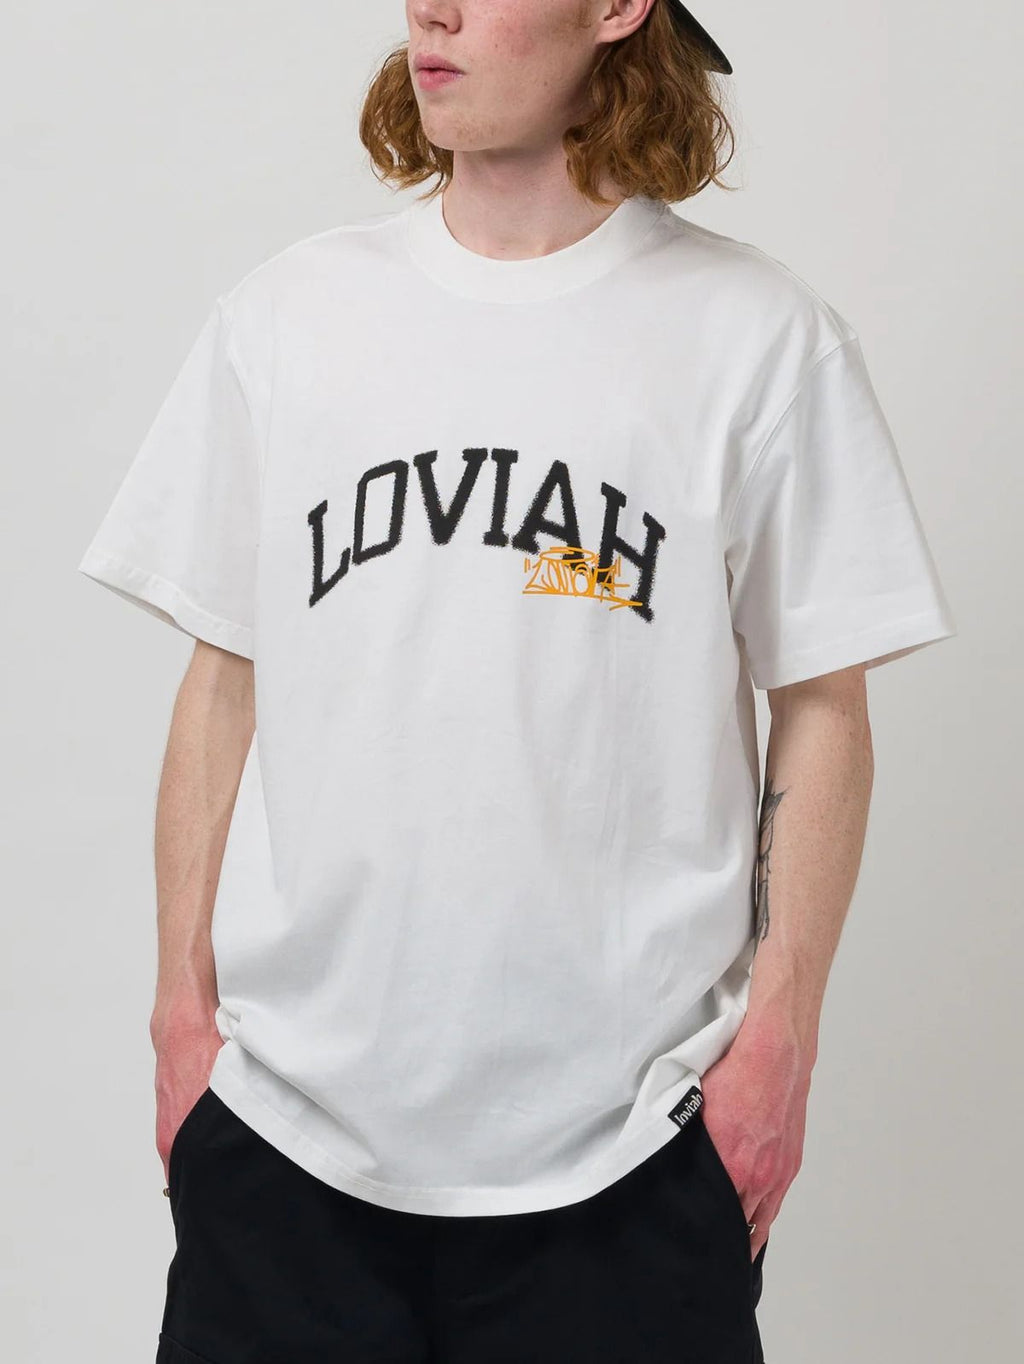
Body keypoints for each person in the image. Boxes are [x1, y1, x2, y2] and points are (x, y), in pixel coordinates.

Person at [77, 2, 957, 1361]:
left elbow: (822, 707)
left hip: (633, 1154)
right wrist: (180, 1021)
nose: (431, 9)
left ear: (617, 10)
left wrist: (780, 1044)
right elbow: (224, 676)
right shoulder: (289, 317)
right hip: (285, 1143)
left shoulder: (760, 339)